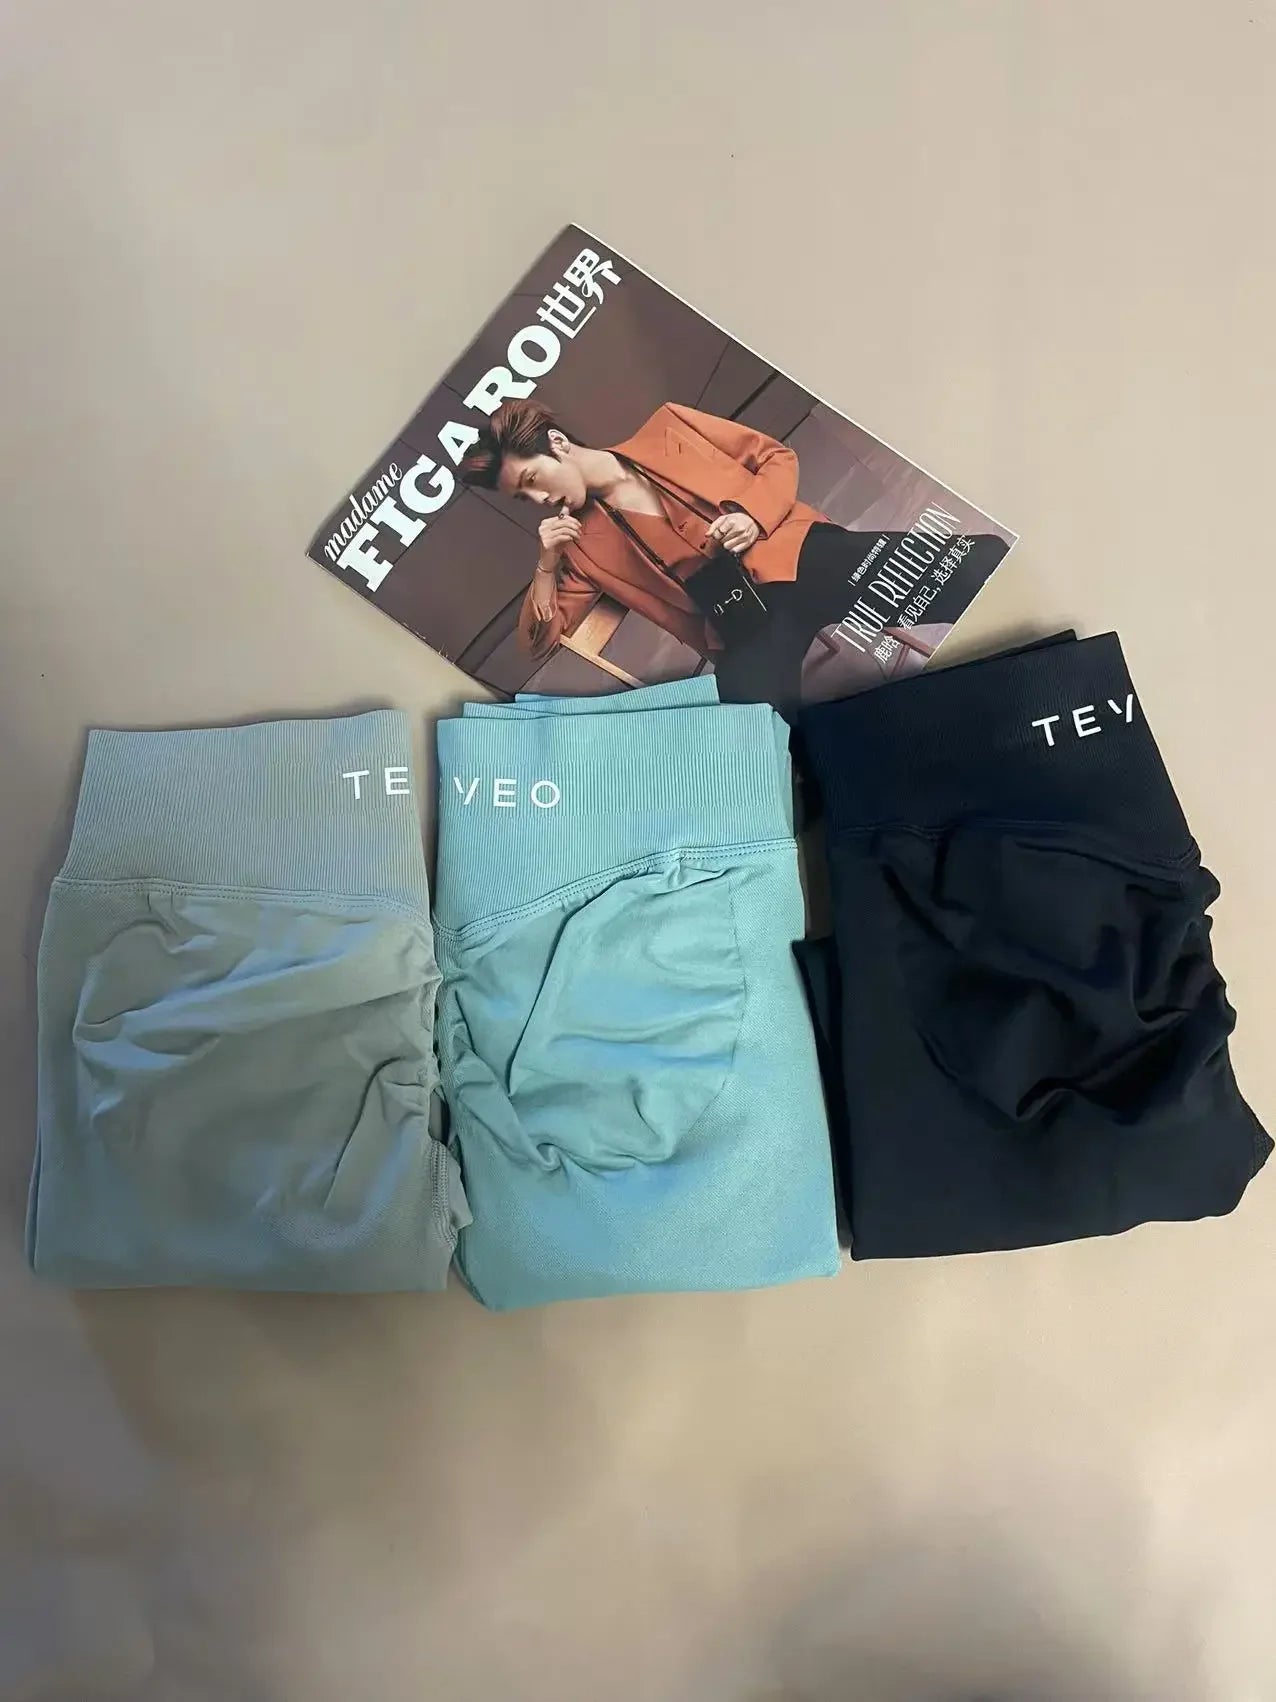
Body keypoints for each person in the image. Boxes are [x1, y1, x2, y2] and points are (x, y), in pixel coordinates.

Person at [458, 398, 996, 709]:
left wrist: (752, 516)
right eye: (522, 498)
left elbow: (775, 457)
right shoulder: (581, 548)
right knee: (756, 739)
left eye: (531, 481)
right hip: (739, 625)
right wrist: (546, 564)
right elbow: (537, 643)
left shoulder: (669, 427)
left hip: (797, 556)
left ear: (557, 444)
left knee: (971, 567)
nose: (538, 500)